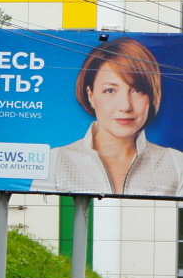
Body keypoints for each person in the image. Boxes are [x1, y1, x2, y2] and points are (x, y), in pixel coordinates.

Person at [32, 39, 183, 196]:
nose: (125, 106)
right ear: (90, 95)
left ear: (151, 96)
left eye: (137, 90)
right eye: (110, 90)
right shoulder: (54, 162)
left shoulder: (176, 164)